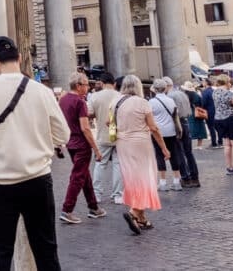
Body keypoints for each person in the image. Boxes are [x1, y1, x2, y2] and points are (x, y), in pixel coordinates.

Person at [0, 36, 68, 270]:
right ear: (19, 58)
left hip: (1, 182)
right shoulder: (41, 91)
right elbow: (64, 136)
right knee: (46, 250)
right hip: (38, 179)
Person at [113, 75, 167, 235]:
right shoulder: (142, 103)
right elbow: (153, 127)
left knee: (132, 179)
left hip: (122, 143)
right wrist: (164, 148)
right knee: (145, 178)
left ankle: (142, 218)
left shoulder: (115, 101)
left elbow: (109, 123)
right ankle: (134, 212)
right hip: (140, 143)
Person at [58, 72, 105, 224]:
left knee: (84, 176)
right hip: (81, 144)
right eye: (85, 84)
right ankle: (67, 209)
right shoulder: (80, 102)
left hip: (70, 143)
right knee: (78, 177)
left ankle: (94, 207)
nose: (88, 87)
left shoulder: (63, 100)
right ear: (78, 86)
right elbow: (85, 128)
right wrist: (96, 150)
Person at [88, 72, 123, 206]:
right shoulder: (120, 96)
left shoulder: (95, 96)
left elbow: (89, 114)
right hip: (119, 136)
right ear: (114, 83)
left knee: (100, 165)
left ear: (101, 83)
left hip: (102, 135)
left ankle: (96, 195)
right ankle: (117, 195)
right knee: (118, 165)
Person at [148, 78, 183, 191]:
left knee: (159, 155)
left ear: (155, 89)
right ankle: (176, 181)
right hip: (171, 131)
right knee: (174, 154)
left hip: (158, 132)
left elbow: (149, 118)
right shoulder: (170, 100)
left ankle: (162, 183)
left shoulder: (151, 102)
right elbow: (175, 114)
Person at [166, 78, 200, 188]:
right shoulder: (182, 94)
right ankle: (195, 178)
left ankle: (185, 178)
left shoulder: (170, 97)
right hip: (185, 122)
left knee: (179, 152)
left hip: (177, 124)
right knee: (188, 152)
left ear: (166, 86)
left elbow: (173, 113)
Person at [212, 75, 233, 175]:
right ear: (227, 82)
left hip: (219, 119)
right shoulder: (228, 93)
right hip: (231, 119)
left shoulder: (215, 92)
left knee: (227, 145)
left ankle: (229, 168)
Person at [186, 82, 209, 149]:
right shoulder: (197, 95)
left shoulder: (186, 95)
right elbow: (202, 104)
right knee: (200, 128)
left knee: (190, 129)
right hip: (198, 113)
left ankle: (188, 146)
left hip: (190, 113)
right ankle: (199, 145)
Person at [200, 78, 220, 148]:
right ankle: (220, 141)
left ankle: (214, 142)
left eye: (203, 82)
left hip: (208, 111)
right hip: (216, 110)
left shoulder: (205, 92)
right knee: (217, 127)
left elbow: (203, 103)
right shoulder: (213, 91)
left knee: (211, 127)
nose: (202, 83)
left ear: (206, 83)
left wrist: (201, 108)